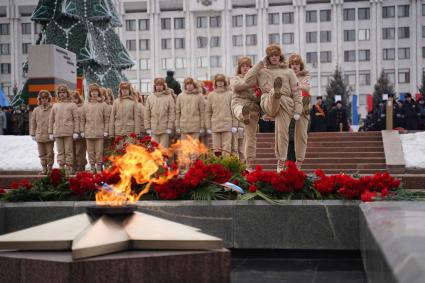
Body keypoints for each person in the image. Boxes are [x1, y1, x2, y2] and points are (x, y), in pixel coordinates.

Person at [249, 43, 302, 172]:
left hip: (285, 103)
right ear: (268, 57)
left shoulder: (288, 72)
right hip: (267, 101)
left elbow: (296, 91)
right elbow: (248, 80)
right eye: (271, 55)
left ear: (280, 57)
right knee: (273, 93)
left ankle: (281, 161)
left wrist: (298, 109)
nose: (274, 57)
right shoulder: (262, 71)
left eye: (276, 55)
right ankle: (275, 94)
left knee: (282, 133)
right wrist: (259, 64)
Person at [230, 56, 260, 170]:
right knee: (239, 110)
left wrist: (258, 94)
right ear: (239, 68)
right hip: (238, 102)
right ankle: (243, 114)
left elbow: (257, 97)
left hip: (252, 108)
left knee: (251, 137)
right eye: (243, 66)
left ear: (251, 67)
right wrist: (250, 82)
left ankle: (249, 164)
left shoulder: (256, 80)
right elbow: (237, 87)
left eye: (247, 66)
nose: (245, 68)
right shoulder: (235, 78)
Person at [48, 84, 79, 175]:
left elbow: (76, 119)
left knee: (69, 151)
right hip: (58, 132)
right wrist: (50, 132)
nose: (62, 94)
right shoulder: (55, 106)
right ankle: (61, 168)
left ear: (67, 93)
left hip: (68, 132)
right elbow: (51, 119)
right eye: (60, 92)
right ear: (58, 94)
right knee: (60, 151)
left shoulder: (72, 105)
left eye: (64, 92)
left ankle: (69, 168)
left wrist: (76, 131)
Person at [81, 83, 110, 173]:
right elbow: (82, 119)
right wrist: (82, 130)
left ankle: (98, 167)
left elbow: (106, 119)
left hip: (99, 132)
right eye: (92, 91)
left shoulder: (103, 105)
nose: (94, 93)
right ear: (89, 93)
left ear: (98, 92)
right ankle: (92, 167)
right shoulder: (86, 105)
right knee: (90, 151)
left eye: (96, 91)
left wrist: (106, 130)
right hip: (88, 132)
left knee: (99, 151)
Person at [206, 74, 237, 156]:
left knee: (227, 147)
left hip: (227, 124)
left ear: (225, 82)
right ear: (215, 83)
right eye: (218, 81)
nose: (220, 83)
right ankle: (217, 166)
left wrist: (234, 125)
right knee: (216, 148)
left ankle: (226, 165)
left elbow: (233, 110)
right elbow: (208, 112)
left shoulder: (230, 94)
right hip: (215, 124)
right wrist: (208, 126)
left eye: (222, 81)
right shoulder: (211, 95)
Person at [288, 54, 310, 168]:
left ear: (300, 66)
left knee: (301, 135)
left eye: (297, 64)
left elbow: (307, 88)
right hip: (289, 107)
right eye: (292, 64)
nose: (295, 66)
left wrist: (297, 85)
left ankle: (299, 162)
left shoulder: (304, 76)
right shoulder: (286, 76)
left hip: (302, 107)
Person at [144, 78, 176, 148]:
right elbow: (147, 113)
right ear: (154, 86)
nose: (159, 86)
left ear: (164, 86)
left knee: (163, 150)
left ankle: (164, 159)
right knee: (154, 150)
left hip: (164, 129)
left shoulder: (169, 97)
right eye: (157, 85)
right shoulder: (150, 97)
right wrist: (147, 127)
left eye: (161, 85)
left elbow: (172, 113)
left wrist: (169, 127)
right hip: (153, 129)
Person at [30, 90, 54, 174]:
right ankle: (44, 168)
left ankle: (50, 168)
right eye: (42, 98)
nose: (44, 99)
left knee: (50, 153)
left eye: (46, 98)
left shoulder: (52, 108)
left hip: (49, 135)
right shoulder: (36, 110)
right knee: (41, 154)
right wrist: (33, 133)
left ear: (49, 99)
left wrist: (53, 132)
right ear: (39, 99)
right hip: (39, 135)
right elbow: (33, 122)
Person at [70, 90, 87, 173]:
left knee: (79, 151)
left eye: (75, 98)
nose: (74, 100)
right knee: (71, 151)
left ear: (78, 99)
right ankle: (73, 167)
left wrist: (82, 131)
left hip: (80, 133)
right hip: (70, 132)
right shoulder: (69, 107)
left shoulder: (83, 107)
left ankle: (81, 166)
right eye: (72, 99)